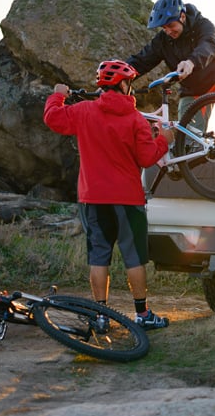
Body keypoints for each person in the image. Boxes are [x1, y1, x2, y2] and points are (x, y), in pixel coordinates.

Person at [43, 59, 174, 330]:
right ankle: (142, 314)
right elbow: (148, 157)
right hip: (128, 199)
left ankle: (100, 316)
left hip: (92, 198)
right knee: (134, 257)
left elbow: (52, 118)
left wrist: (58, 94)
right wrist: (165, 139)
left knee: (99, 257)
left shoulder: (83, 111)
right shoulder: (135, 119)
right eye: (129, 82)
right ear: (122, 84)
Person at [126, 0, 215, 144]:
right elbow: (142, 60)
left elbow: (210, 43)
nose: (168, 31)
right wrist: (117, 79)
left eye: (171, 26)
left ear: (182, 16)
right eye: (164, 27)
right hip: (193, 91)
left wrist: (191, 62)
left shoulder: (203, 25)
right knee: (188, 148)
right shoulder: (162, 40)